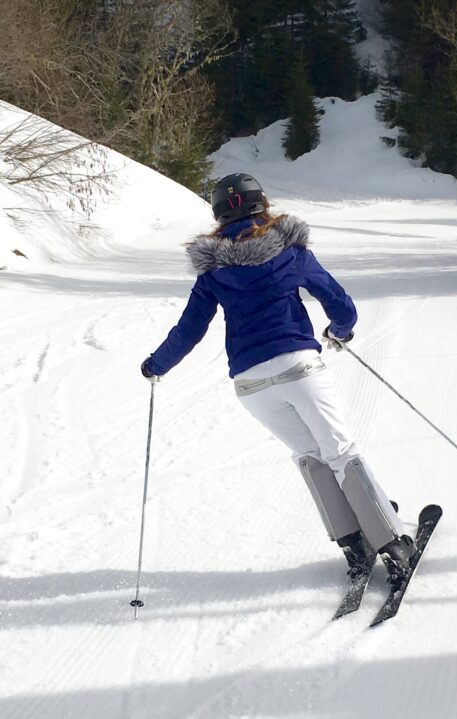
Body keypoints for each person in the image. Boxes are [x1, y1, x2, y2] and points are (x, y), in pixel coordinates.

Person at [141, 173, 416, 577]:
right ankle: (392, 543)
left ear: (218, 214)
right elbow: (341, 306)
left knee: (311, 455)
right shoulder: (291, 251)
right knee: (340, 452)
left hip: (251, 386)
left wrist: (156, 365)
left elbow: (189, 330)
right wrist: (340, 332)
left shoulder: (212, 271)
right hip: (298, 368)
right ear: (262, 204)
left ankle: (354, 545)